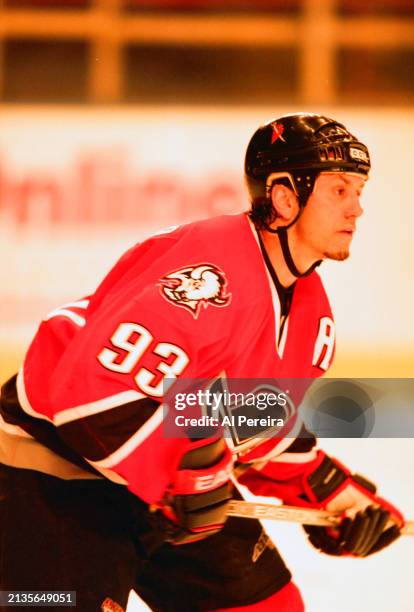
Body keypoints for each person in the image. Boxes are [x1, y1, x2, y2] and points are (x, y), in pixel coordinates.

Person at [0, 113, 404, 612]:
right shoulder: (211, 270)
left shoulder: (310, 313)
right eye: (340, 190)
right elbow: (90, 401)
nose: (357, 208)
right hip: (57, 476)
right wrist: (194, 472)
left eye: (359, 190)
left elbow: (244, 422)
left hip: (166, 489)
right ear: (284, 197)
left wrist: (332, 494)